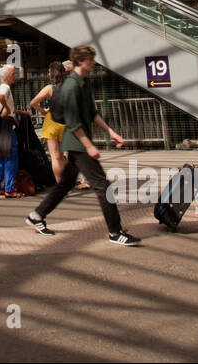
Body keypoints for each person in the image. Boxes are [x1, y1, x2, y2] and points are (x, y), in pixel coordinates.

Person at [25, 45, 140, 245]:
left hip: (79, 143)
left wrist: (111, 132)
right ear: (80, 61)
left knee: (66, 184)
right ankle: (115, 232)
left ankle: (36, 215)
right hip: (78, 144)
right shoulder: (71, 86)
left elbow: (91, 113)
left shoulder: (82, 84)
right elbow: (73, 121)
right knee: (103, 187)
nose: (94, 62)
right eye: (90, 59)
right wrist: (89, 146)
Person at [29, 62, 92, 190]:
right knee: (68, 154)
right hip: (66, 123)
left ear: (51, 73)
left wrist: (42, 111)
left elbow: (33, 103)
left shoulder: (49, 88)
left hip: (51, 123)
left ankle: (61, 186)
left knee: (56, 156)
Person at [0, 65, 25, 198]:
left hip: (1, 126)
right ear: (6, 76)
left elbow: (7, 107)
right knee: (11, 156)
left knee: (1, 156)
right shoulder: (5, 87)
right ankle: (9, 189)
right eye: (12, 74)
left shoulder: (2, 87)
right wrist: (6, 108)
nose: (14, 76)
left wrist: (20, 112)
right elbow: (1, 98)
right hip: (7, 125)